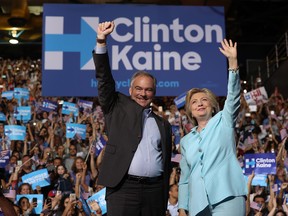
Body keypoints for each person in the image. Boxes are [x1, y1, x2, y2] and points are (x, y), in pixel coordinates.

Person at [93, 20, 172, 216]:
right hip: (123, 189)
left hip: (155, 192)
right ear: (130, 90)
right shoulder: (115, 107)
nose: (143, 94)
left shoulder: (163, 123)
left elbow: (166, 160)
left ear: (154, 93)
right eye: (138, 88)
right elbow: (104, 78)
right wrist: (101, 42)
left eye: (148, 90)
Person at [178, 39, 247, 216]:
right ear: (190, 112)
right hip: (197, 204)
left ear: (213, 105)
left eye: (204, 100)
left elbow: (233, 97)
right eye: (194, 102)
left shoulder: (224, 121)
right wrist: (182, 207)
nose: (199, 104)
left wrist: (233, 63)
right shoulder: (185, 141)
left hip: (227, 196)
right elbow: (185, 178)